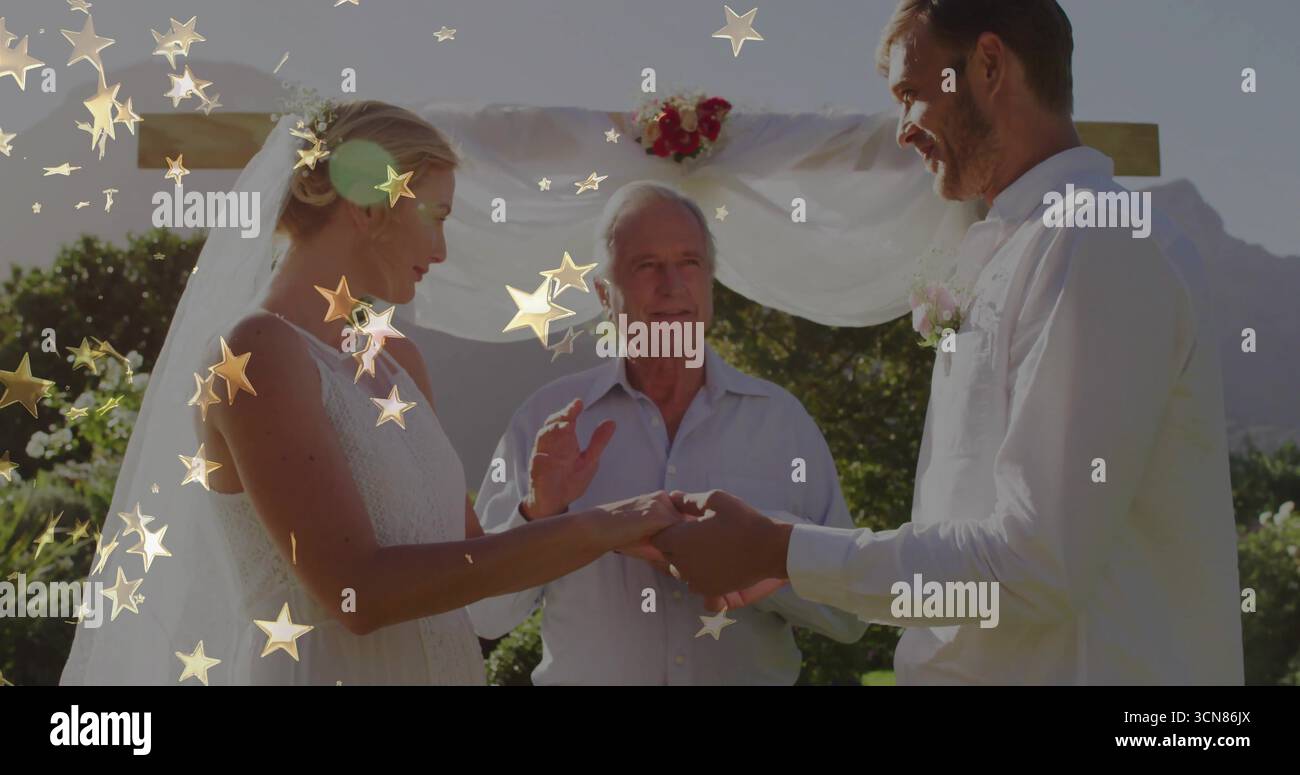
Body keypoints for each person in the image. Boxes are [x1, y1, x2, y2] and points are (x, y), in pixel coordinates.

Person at [652, 0, 1245, 685]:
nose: (903, 131)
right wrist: (782, 556)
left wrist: (780, 550)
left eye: (911, 94)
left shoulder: (1097, 241)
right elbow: (975, 531)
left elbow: (1033, 567)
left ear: (989, 65)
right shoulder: (1015, 245)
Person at [60, 101, 681, 686]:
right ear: (366, 205)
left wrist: (537, 512)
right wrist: (601, 528)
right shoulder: (256, 353)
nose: (440, 251)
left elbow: (468, 576)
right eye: (436, 216)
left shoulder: (397, 360)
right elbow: (358, 594)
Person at [469, 182, 865, 684]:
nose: (673, 285)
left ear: (710, 282)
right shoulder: (546, 420)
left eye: (690, 263)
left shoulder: (782, 423)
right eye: (646, 265)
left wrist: (762, 558)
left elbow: (850, 614)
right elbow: (481, 616)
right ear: (603, 295)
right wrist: (538, 515)